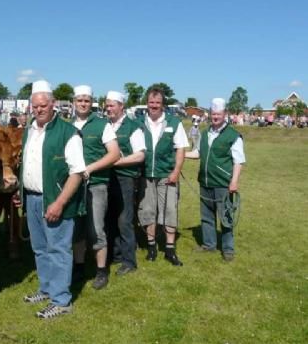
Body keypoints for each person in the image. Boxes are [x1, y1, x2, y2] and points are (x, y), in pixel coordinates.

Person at [19, 80, 85, 319]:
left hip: (56, 200)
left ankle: (61, 300)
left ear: (53, 104)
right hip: (33, 198)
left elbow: (77, 172)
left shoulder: (68, 133)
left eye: (43, 105)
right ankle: (47, 288)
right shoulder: (30, 131)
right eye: (35, 106)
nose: (39, 110)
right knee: (40, 248)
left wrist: (59, 202)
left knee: (58, 249)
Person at [71, 85, 120, 289]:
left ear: (92, 103)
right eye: (79, 100)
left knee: (96, 229)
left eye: (87, 100)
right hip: (73, 186)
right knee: (77, 229)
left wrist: (90, 168)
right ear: (74, 102)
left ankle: (101, 271)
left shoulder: (102, 125)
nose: (83, 104)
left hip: (96, 185)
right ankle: (79, 267)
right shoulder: (68, 125)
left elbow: (114, 154)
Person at [186, 98, 245, 261]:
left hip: (222, 183)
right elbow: (197, 153)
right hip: (205, 182)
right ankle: (209, 245)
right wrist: (181, 154)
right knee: (206, 216)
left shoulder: (233, 135)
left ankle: (228, 249)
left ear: (224, 114)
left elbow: (238, 161)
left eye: (218, 114)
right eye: (213, 114)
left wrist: (234, 181)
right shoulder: (204, 134)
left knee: (225, 218)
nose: (215, 117)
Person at [138, 86, 189, 266]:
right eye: (151, 102)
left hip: (166, 174)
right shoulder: (138, 122)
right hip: (145, 175)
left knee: (169, 210)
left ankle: (169, 249)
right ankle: (151, 247)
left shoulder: (174, 122)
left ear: (163, 104)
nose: (154, 106)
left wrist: (175, 171)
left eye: (157, 103)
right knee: (148, 211)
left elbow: (181, 149)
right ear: (147, 103)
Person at [105, 91, 145, 275]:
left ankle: (129, 261)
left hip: (125, 177)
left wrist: (117, 161)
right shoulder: (105, 125)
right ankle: (116, 254)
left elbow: (140, 155)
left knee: (125, 219)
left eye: (112, 105)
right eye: (107, 105)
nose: (108, 108)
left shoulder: (133, 127)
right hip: (107, 177)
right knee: (110, 217)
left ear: (122, 106)